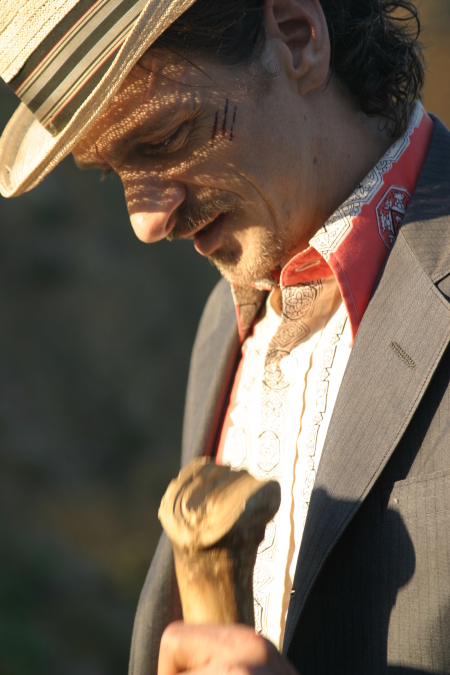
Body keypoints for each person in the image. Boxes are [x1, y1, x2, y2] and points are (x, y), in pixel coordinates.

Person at [1, 1, 449, 674]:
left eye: (165, 138)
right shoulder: (222, 325)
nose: (144, 223)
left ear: (297, 38)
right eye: (114, 169)